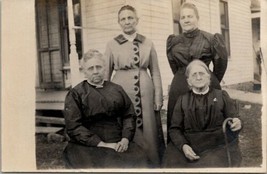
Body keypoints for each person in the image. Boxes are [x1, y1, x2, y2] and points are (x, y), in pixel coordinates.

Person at [63, 49, 148, 168]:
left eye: (99, 67)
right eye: (90, 68)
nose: (95, 71)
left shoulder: (117, 89)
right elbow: (74, 126)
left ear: (104, 68)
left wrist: (125, 139)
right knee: (102, 163)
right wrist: (101, 144)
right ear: (84, 72)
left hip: (116, 137)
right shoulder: (76, 93)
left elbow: (128, 115)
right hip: (87, 142)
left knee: (140, 157)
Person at [105, 5, 165, 167]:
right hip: (121, 93)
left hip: (146, 95)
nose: (127, 22)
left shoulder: (148, 43)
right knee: (124, 126)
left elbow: (156, 72)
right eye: (123, 19)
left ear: (137, 20)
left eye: (130, 18)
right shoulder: (112, 44)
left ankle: (151, 162)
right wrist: (105, 98)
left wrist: (158, 96)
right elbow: (105, 75)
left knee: (149, 130)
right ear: (118, 22)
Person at [166, 2, 228, 143]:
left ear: (197, 18)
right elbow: (173, 65)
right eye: (183, 17)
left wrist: (210, 79)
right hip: (181, 84)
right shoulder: (173, 41)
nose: (186, 20)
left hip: (206, 83)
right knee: (178, 121)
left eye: (190, 16)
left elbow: (221, 64)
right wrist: (183, 77)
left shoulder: (211, 39)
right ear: (179, 20)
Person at [163, 60, 242, 168]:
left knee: (212, 164)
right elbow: (174, 129)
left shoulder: (221, 96)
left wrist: (237, 123)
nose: (198, 77)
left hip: (217, 145)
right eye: (194, 75)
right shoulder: (182, 100)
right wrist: (184, 146)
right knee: (172, 161)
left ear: (208, 77)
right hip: (190, 144)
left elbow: (234, 119)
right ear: (189, 81)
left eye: (201, 73)